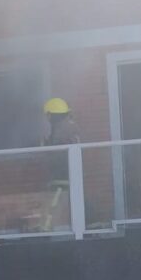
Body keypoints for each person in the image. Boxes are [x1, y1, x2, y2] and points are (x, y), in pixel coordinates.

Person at [41, 97, 81, 230]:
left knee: (54, 207)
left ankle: (46, 230)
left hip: (62, 177)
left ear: (51, 115)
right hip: (70, 176)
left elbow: (58, 155)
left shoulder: (61, 130)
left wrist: (46, 148)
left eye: (48, 115)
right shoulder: (70, 127)